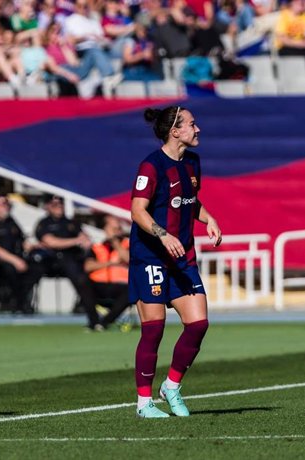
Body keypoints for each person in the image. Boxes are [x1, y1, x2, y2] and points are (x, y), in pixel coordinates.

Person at [129, 105, 222, 418]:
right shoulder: (151, 166)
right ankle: (144, 403)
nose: (198, 130)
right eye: (192, 125)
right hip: (151, 256)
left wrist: (208, 218)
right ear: (175, 131)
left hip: (183, 258)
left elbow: (190, 201)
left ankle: (171, 386)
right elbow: (138, 211)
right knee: (153, 329)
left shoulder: (193, 162)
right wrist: (163, 235)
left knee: (198, 324)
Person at [33, 195, 103, 330]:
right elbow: (51, 242)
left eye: (61, 204)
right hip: (53, 260)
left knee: (85, 277)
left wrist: (83, 243)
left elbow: (86, 239)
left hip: (74, 258)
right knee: (79, 277)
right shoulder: (44, 223)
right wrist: (75, 241)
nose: (59, 207)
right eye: (54, 204)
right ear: (47, 206)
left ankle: (93, 315)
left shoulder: (71, 222)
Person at [83, 214, 132, 329]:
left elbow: (128, 259)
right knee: (82, 282)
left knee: (132, 291)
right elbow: (88, 266)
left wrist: (115, 242)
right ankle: (93, 321)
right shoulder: (97, 246)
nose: (116, 229)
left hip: (121, 285)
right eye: (112, 227)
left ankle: (105, 322)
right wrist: (111, 263)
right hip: (99, 284)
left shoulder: (127, 244)